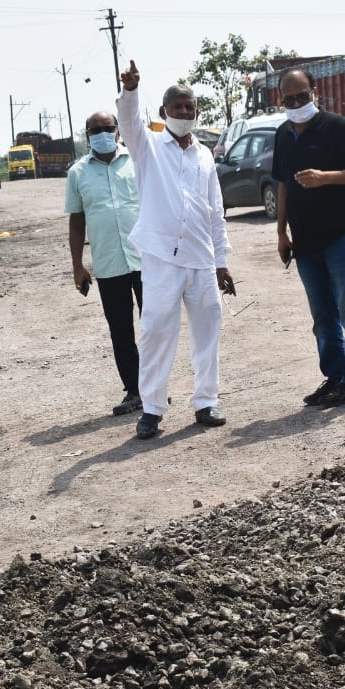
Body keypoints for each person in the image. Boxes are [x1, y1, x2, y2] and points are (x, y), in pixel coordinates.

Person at [116, 59, 235, 440]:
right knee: (156, 330)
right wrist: (131, 91)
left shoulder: (204, 155)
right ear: (165, 111)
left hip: (201, 258)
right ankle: (152, 408)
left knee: (207, 330)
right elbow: (129, 123)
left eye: (190, 107)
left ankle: (205, 401)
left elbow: (216, 210)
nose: (185, 113)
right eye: (178, 107)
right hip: (161, 259)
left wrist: (222, 260)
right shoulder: (148, 146)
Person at [272, 68, 345, 409]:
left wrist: (324, 177)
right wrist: (281, 231)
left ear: (314, 92)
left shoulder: (336, 127)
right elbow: (283, 183)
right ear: (280, 100)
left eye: (303, 96)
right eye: (290, 99)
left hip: (342, 236)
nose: (297, 103)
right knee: (323, 318)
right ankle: (335, 378)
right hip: (305, 243)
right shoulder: (283, 136)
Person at [65, 110, 144, 416]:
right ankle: (135, 391)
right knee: (121, 331)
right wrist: (77, 265)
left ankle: (155, 387)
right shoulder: (78, 173)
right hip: (109, 265)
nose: (101, 133)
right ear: (87, 137)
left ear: (118, 131)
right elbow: (76, 220)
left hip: (145, 259)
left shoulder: (137, 162)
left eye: (107, 128)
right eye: (94, 130)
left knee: (154, 328)